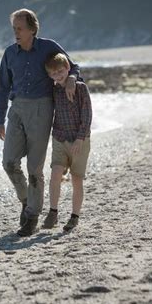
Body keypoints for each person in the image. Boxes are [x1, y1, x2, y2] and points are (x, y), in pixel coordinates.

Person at [0, 8, 80, 236]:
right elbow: (2, 87)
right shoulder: (10, 53)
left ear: (32, 29)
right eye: (14, 28)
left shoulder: (48, 47)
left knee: (34, 168)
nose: (16, 32)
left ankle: (32, 216)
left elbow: (74, 66)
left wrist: (71, 78)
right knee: (9, 162)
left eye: (20, 28)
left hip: (42, 109)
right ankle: (26, 201)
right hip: (17, 109)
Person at [41, 53, 92, 232]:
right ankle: (53, 212)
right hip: (59, 138)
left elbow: (87, 115)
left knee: (76, 180)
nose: (58, 75)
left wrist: (80, 138)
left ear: (68, 69)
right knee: (55, 173)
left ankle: (74, 217)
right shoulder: (54, 90)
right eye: (53, 73)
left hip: (80, 140)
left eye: (61, 71)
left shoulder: (81, 88)